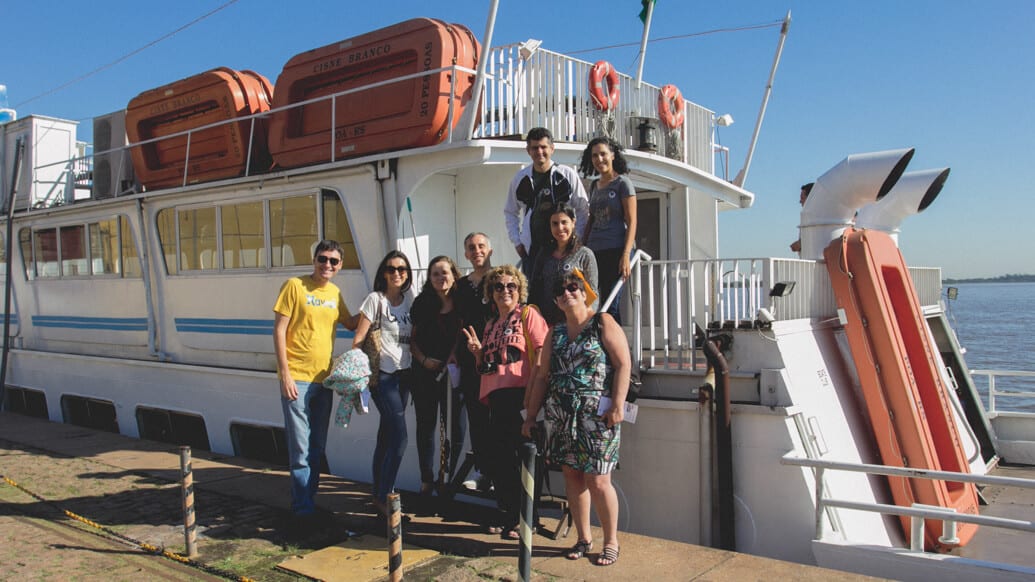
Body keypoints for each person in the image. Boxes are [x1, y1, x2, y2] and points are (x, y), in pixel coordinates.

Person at [522, 269, 631, 567]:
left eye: (574, 287)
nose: (568, 293)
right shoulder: (554, 333)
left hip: (597, 416)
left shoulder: (602, 322)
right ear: (556, 301)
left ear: (585, 292)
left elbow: (623, 364)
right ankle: (584, 538)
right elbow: (542, 377)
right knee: (572, 476)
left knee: (598, 479)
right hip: (561, 416)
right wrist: (531, 416)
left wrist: (618, 404)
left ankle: (611, 541)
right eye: (562, 290)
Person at [461, 265, 548, 538]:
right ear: (491, 293)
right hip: (496, 398)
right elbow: (488, 367)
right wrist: (477, 353)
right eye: (498, 287)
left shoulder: (528, 315)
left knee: (525, 460)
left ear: (519, 290)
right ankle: (510, 514)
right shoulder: (490, 325)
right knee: (501, 461)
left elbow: (543, 353)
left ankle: (528, 520)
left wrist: (533, 399)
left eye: (511, 286)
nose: (505, 291)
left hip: (522, 395)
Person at [273, 240, 357, 522]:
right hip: (297, 378)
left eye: (334, 261)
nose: (327, 265)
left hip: (325, 382)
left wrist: (380, 303)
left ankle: (308, 501)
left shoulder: (334, 292)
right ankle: (302, 510)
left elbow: (351, 323)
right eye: (323, 259)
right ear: (314, 260)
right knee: (300, 448)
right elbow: (279, 330)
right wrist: (284, 373)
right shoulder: (294, 286)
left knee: (317, 447)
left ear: (340, 266)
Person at [352, 250, 414, 516]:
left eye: (401, 269)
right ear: (383, 273)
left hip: (405, 375)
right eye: (391, 269)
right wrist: (358, 374)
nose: (396, 273)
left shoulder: (409, 302)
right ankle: (386, 496)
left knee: (386, 435)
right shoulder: (374, 300)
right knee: (400, 437)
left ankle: (377, 492)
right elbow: (358, 338)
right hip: (383, 377)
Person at [409, 255, 465, 496]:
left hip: (453, 373)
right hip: (424, 373)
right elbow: (410, 340)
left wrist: (453, 356)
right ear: (429, 279)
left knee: (456, 427)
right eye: (435, 274)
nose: (441, 278)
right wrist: (423, 360)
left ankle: (448, 477)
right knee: (426, 426)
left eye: (445, 272)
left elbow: (464, 333)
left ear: (454, 275)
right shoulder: (422, 303)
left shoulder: (463, 302)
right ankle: (427, 479)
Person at [504, 127, 589, 280]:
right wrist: (517, 242)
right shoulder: (520, 179)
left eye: (544, 147)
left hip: (564, 249)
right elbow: (510, 212)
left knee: (565, 293)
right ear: (528, 150)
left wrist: (578, 241)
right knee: (534, 296)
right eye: (535, 148)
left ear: (552, 148)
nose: (539, 151)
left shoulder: (566, 174)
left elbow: (583, 209)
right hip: (533, 251)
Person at [578, 137, 636, 324]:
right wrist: (581, 248)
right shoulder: (594, 185)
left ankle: (615, 351)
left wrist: (626, 254)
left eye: (603, 154)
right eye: (594, 155)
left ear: (612, 155)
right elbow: (591, 219)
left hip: (616, 249)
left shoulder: (622, 183)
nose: (599, 159)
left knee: (611, 305)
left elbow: (632, 220)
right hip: (595, 252)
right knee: (593, 302)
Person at [453, 232, 495, 491]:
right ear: (466, 254)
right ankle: (482, 470)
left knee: (497, 418)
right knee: (477, 418)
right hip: (469, 361)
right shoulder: (461, 286)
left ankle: (498, 474)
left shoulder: (503, 280)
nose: (477, 250)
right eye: (471, 247)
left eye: (481, 246)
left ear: (490, 250)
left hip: (498, 359)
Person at [530, 202, 598, 325]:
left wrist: (588, 323)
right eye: (555, 224)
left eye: (564, 222)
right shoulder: (543, 254)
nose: (560, 228)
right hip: (545, 322)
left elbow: (592, 294)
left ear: (573, 222)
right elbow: (535, 287)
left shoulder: (585, 254)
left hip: (574, 322)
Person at [789, 182, 814, 255]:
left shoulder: (818, 217)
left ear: (811, 198)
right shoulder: (808, 217)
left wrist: (800, 244)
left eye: (802, 198)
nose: (800, 201)